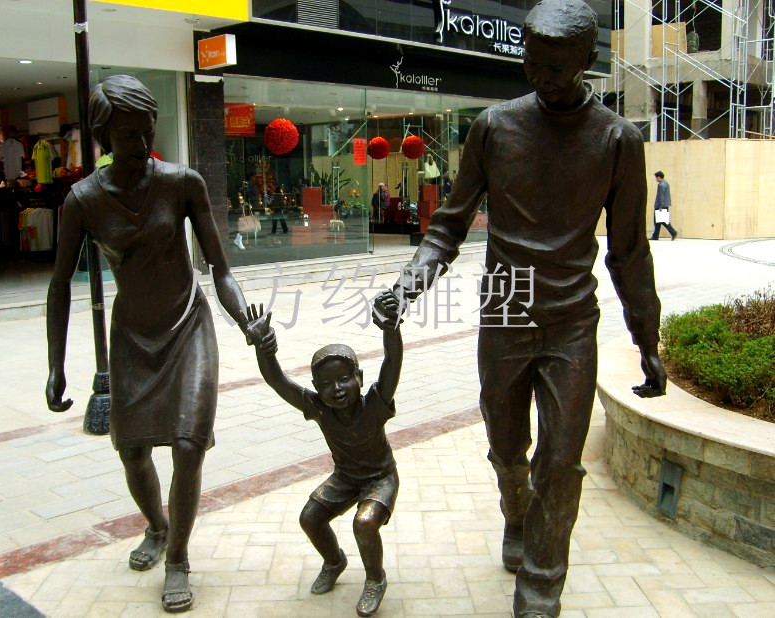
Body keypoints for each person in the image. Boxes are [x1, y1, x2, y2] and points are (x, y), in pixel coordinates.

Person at [391, 2, 667, 617]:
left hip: (572, 322)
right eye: (531, 64)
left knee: (560, 462)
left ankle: (540, 589)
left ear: (588, 62)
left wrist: (647, 340)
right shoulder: (493, 127)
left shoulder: (617, 141)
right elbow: (449, 225)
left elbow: (629, 253)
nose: (541, 78)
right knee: (507, 447)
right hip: (505, 314)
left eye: (556, 69)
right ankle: (516, 514)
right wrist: (408, 285)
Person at [45, 75, 263, 614]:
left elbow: (220, 269)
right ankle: (157, 526)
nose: (142, 145)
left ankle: (178, 559)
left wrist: (246, 321)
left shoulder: (182, 183)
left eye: (148, 132)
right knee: (133, 450)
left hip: (188, 325)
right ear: (103, 136)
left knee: (189, 445)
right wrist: (56, 366)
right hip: (132, 336)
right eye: (128, 135)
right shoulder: (83, 201)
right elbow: (59, 286)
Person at [245, 291, 403, 617]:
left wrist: (391, 328)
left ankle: (375, 579)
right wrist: (264, 347)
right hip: (345, 478)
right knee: (310, 517)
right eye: (327, 384)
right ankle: (334, 561)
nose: (338, 389)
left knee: (365, 522)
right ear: (317, 388)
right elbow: (278, 381)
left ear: (359, 378)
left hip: (380, 479)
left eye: (345, 379)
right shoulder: (319, 408)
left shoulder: (375, 403)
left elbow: (392, 362)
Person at [649, 170, 678, 240]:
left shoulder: (661, 185)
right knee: (659, 221)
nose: (656, 179)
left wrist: (660, 206)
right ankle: (655, 236)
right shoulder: (666, 183)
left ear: (659, 177)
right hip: (665, 205)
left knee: (661, 220)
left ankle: (673, 232)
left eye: (656, 177)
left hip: (660, 206)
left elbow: (661, 196)